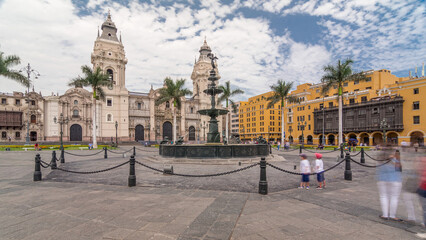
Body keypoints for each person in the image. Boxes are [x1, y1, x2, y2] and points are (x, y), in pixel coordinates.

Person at [376, 147, 403, 221]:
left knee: (383, 196)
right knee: (394, 197)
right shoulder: (395, 159)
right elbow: (399, 169)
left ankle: (385, 215)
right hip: (395, 180)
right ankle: (392, 215)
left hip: (382, 179)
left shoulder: (381, 159)